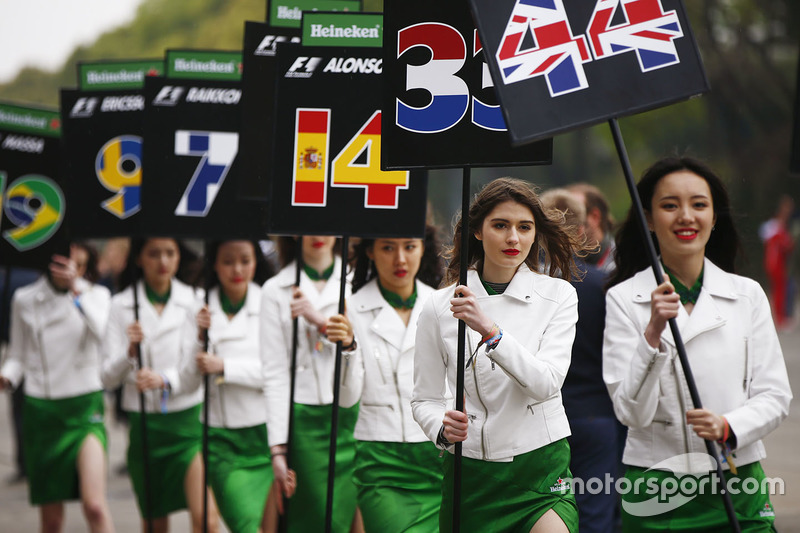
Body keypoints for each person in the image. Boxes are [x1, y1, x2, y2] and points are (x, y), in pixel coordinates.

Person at [604, 156, 792, 531]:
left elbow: (775, 396)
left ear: (714, 217)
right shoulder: (625, 298)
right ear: (649, 219)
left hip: (737, 479)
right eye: (670, 205)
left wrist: (727, 425)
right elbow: (631, 412)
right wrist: (653, 333)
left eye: (699, 204)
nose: (685, 216)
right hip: (656, 487)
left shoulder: (748, 294)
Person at [412, 177, 583, 533]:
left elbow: (546, 383)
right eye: (500, 225)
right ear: (477, 231)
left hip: (541, 468)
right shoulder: (438, 306)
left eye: (524, 227)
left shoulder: (559, 296)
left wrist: (491, 331)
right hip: (471, 474)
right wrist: (442, 428)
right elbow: (424, 399)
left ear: (536, 233)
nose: (513, 239)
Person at [325, 225, 445, 532]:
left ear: (422, 249)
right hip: (381, 458)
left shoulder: (443, 304)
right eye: (388, 248)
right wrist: (349, 347)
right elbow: (346, 397)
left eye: (410, 246)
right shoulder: (349, 309)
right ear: (370, 251)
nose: (400, 259)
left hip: (438, 455)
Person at [102, 237, 219, 533]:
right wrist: (129, 353)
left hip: (189, 424)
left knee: (206, 519)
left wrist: (166, 378)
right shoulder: (120, 304)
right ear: (139, 259)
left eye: (170, 253)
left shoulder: (195, 301)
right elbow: (106, 377)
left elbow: (196, 366)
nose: (163, 261)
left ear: (180, 257)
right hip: (145, 427)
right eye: (154, 254)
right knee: (154, 523)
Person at [1, 243, 115, 532]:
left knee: (95, 506)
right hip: (42, 411)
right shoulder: (25, 299)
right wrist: (7, 377)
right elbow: (17, 355)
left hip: (84, 407)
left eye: (76, 249)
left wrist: (76, 288)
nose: (70, 255)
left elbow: (105, 333)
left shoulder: (96, 295)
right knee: (51, 521)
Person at [175, 239, 285, 533]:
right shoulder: (199, 307)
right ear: (214, 263)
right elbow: (185, 383)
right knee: (246, 524)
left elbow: (278, 372)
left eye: (245, 260)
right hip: (222, 440)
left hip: (266, 437)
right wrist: (199, 337)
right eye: (227, 261)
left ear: (256, 262)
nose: (237, 269)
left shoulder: (270, 301)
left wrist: (225, 367)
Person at [260, 236, 361, 532]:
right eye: (309, 225)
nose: (319, 234)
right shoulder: (274, 290)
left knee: (343, 518)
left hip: (347, 417)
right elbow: (275, 373)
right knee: (310, 517)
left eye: (326, 225)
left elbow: (362, 354)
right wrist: (278, 449)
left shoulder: (357, 282)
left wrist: (319, 321)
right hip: (301, 421)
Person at [540, 189, 625, 533]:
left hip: (544, 421)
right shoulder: (606, 286)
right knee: (595, 517)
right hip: (598, 419)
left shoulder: (531, 290)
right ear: (581, 230)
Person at [760, 194, 795, 329]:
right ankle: (779, 319)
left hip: (778, 264)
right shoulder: (773, 226)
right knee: (779, 291)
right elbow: (780, 245)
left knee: (782, 290)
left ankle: (781, 317)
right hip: (774, 264)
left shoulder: (782, 226)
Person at [566, 183, 616, 272]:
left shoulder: (624, 263)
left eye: (572, 214)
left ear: (595, 217)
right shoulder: (558, 266)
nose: (564, 222)